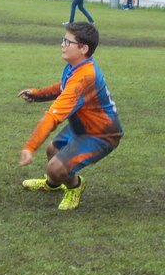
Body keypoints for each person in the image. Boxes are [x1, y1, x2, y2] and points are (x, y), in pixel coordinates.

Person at [18, 22, 123, 210]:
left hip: (100, 134)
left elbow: (52, 117)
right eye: (63, 40)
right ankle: (53, 185)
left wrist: (29, 147)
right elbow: (63, 86)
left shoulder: (85, 76)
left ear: (84, 48)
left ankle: (75, 186)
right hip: (82, 126)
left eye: (68, 41)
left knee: (55, 167)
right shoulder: (76, 67)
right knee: (52, 151)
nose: (62, 44)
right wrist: (38, 94)